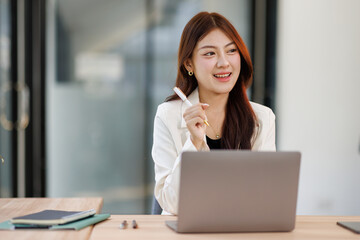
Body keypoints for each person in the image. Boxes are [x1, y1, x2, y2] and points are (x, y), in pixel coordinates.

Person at [152, 12, 276, 215]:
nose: (224, 62)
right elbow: (170, 203)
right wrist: (194, 143)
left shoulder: (262, 118)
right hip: (186, 231)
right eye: (210, 53)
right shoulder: (167, 116)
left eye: (231, 51)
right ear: (189, 64)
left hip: (241, 230)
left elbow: (265, 196)